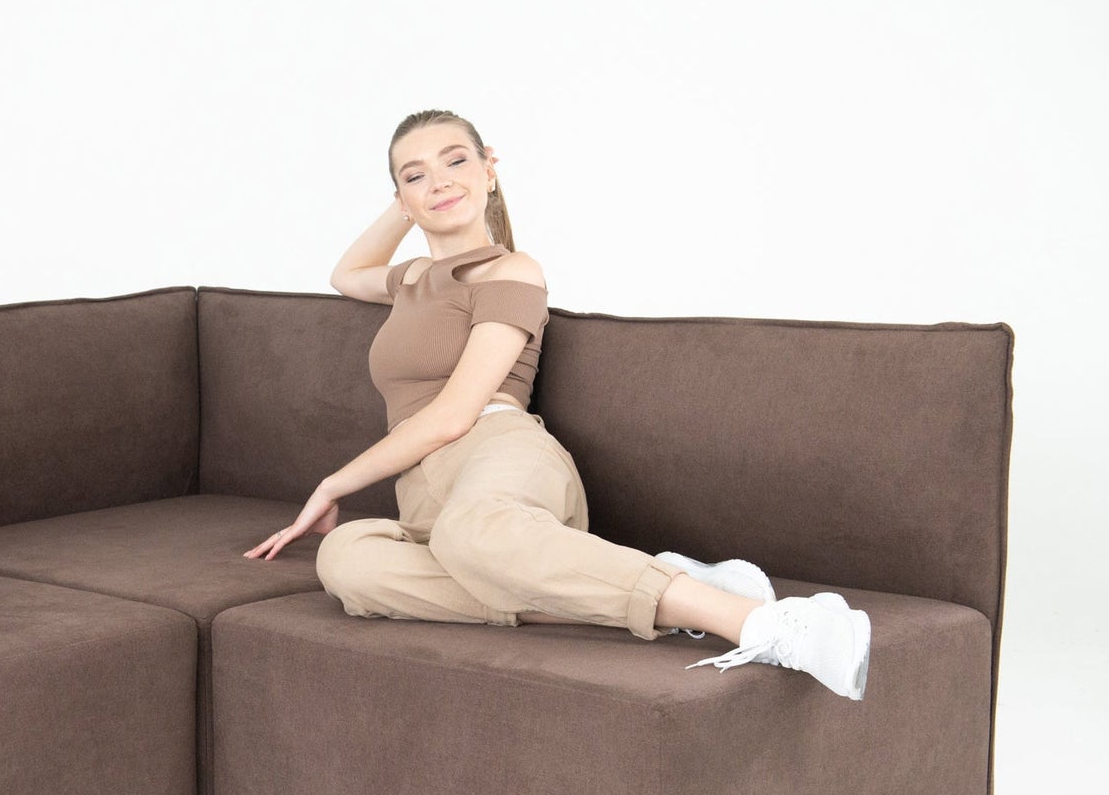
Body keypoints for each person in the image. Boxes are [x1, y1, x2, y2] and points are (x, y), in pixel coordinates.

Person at [245, 109, 870, 698]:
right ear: (400, 198)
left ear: (490, 170)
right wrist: (411, 199)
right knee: (345, 562)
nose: (439, 181)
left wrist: (333, 483)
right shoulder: (409, 278)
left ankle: (764, 623)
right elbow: (345, 273)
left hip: (500, 453)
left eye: (456, 161)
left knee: (472, 533)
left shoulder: (511, 271)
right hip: (425, 492)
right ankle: (661, 587)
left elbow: (455, 415)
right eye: (416, 175)